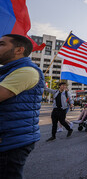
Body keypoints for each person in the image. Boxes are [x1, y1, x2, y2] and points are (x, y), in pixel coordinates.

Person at [0, 34, 45, 178]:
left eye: (2, 44)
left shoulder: (27, 71)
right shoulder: (9, 71)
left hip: (10, 141)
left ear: (19, 50)